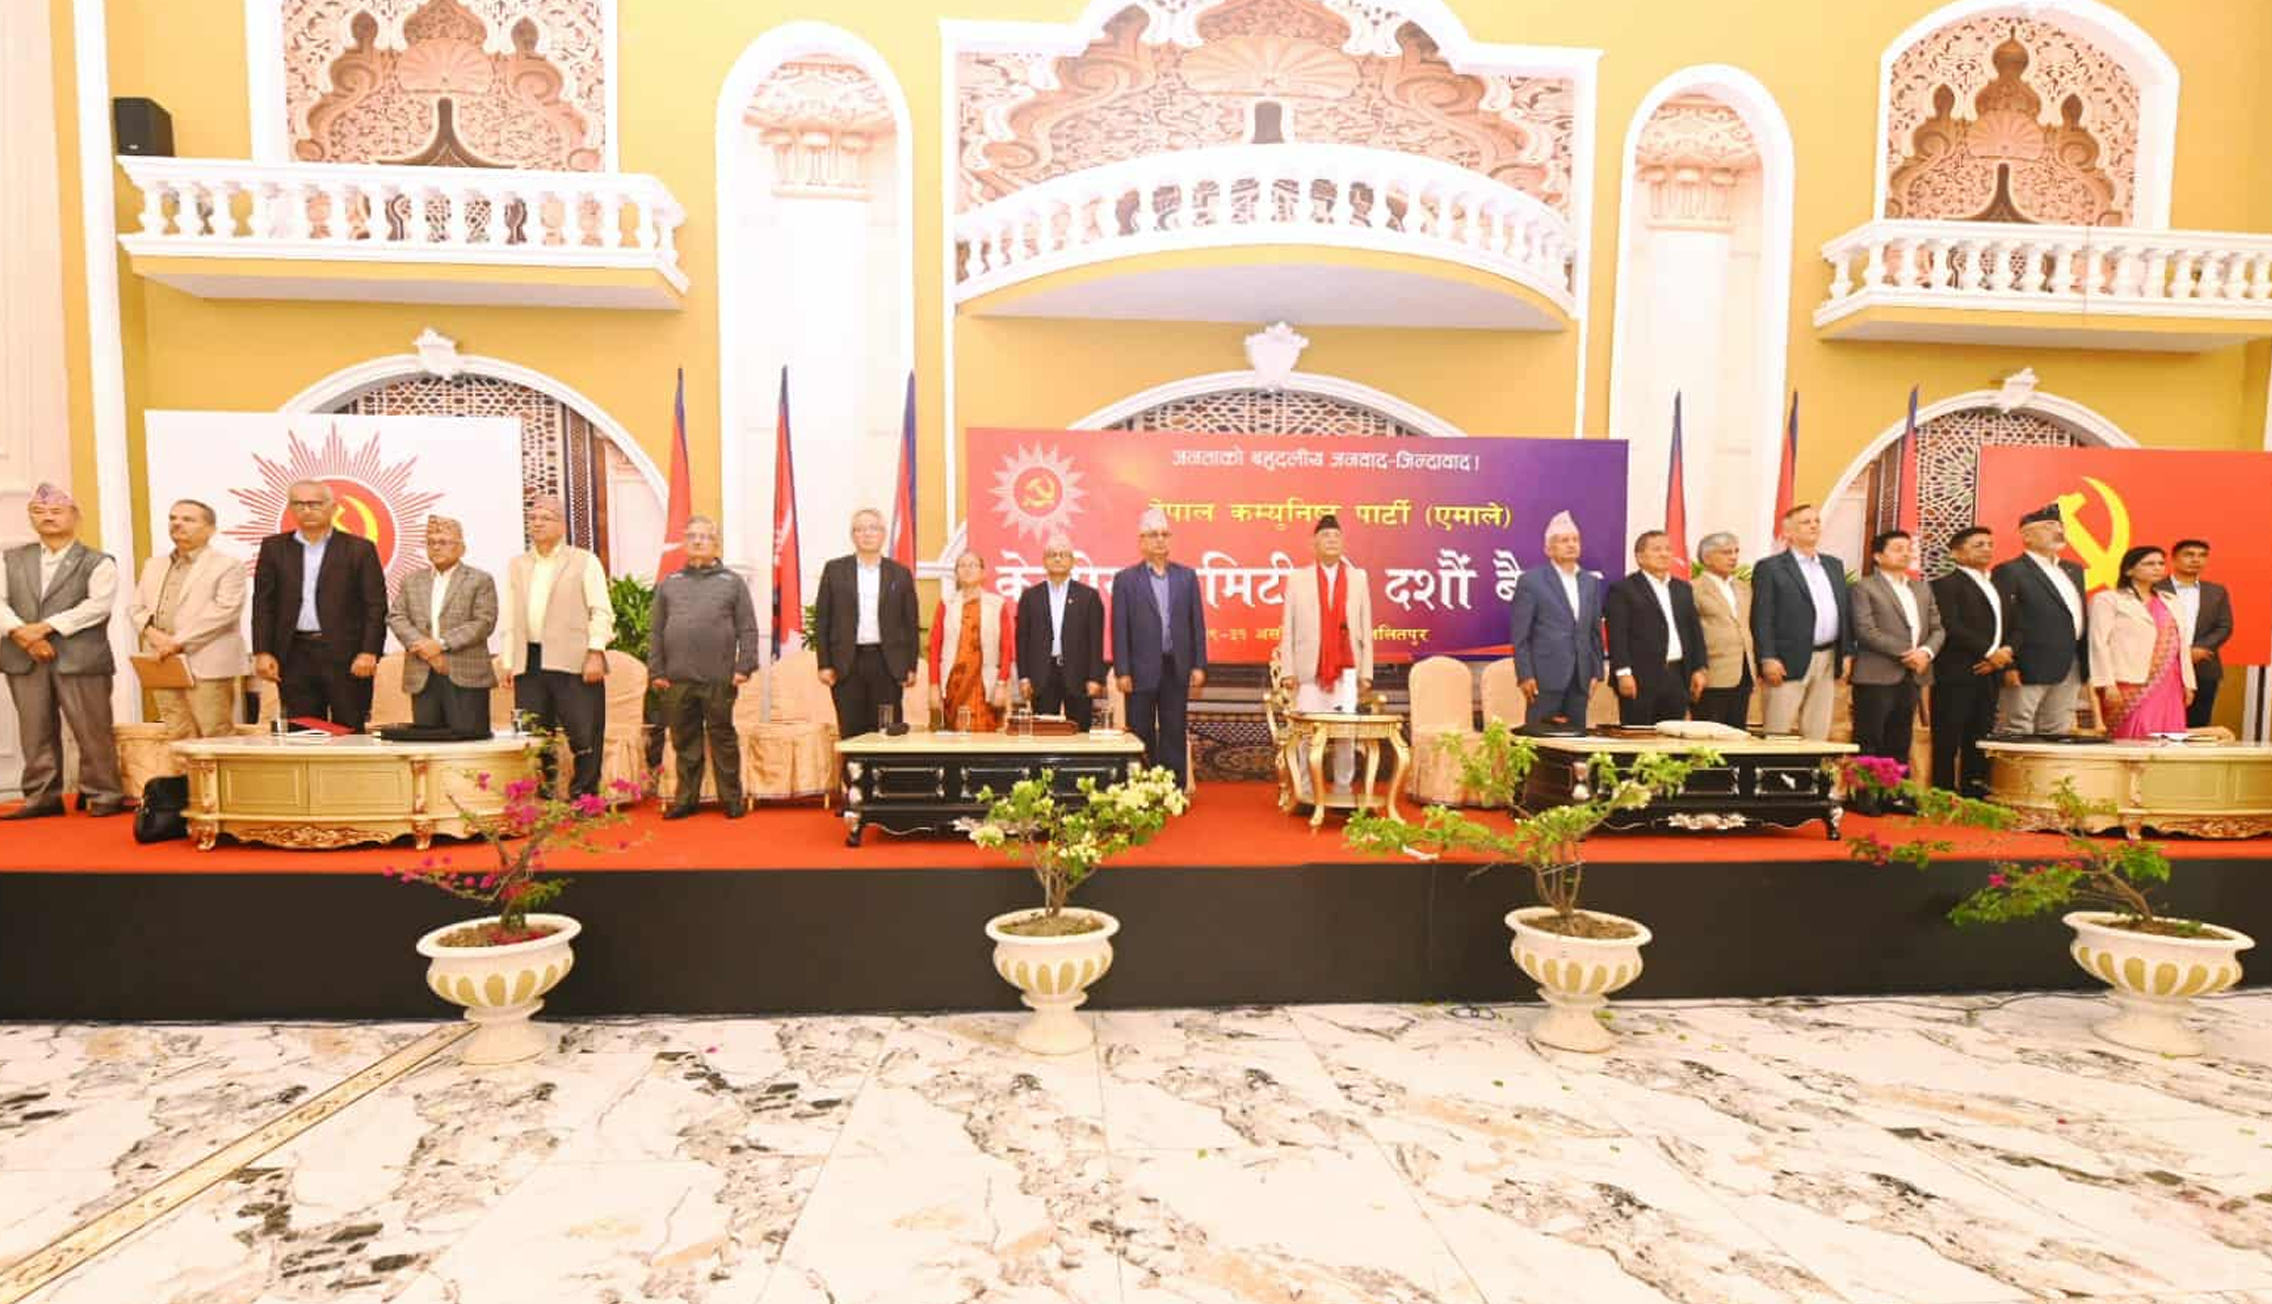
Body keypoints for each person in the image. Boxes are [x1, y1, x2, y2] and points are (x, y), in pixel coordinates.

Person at [0, 483, 124, 818]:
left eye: (56, 511)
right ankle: (42, 797)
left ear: (75, 516)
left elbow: (97, 607)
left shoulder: (97, 561)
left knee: (91, 729)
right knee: (34, 731)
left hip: (81, 658)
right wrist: (21, 634)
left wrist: (44, 628)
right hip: (23, 656)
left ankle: (103, 793)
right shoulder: (11, 558)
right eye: (38, 512)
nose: (47, 517)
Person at [498, 495, 614, 797]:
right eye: (533, 518)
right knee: (535, 733)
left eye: (545, 517)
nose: (537, 523)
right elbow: (510, 616)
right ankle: (544, 796)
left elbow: (601, 611)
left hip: (574, 659)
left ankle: (585, 797)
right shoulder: (518, 565)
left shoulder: (583, 560)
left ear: (562, 525)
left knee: (583, 731)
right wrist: (509, 661)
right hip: (529, 659)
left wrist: (595, 652)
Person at [251, 478, 387, 729]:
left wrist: (369, 651)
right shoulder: (274, 548)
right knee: (303, 731)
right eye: (299, 504)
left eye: (315, 504)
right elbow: (263, 604)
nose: (307, 510)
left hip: (347, 655)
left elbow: (375, 606)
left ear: (333, 508)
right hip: (293, 653)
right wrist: (262, 651)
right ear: (290, 508)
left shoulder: (359, 549)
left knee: (349, 729)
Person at [649, 516, 758, 819]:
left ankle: (731, 799)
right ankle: (686, 800)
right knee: (684, 740)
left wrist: (744, 666)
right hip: (677, 678)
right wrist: (656, 671)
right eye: (692, 536)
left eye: (705, 536)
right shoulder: (669, 583)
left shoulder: (732, 583)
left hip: (719, 677)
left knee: (723, 738)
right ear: (684, 543)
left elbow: (748, 628)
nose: (698, 541)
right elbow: (656, 630)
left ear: (716, 544)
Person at [128, 498, 247, 739]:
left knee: (215, 732)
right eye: (173, 518)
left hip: (207, 660)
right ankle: (184, 768)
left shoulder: (228, 565)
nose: (177, 523)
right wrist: (152, 634)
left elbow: (225, 610)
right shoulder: (154, 564)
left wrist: (176, 642)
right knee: (178, 732)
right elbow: (136, 608)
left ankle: (215, 769)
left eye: (188, 519)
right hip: (161, 659)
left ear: (210, 529)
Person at [1111, 507, 1207, 786]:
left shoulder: (1186, 577)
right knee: (1140, 731)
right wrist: (1122, 670)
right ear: (1141, 541)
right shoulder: (1126, 579)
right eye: (1153, 535)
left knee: (1174, 730)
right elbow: (1119, 628)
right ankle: (1142, 790)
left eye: (1165, 534)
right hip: (1139, 670)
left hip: (1176, 667)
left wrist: (1199, 664)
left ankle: (1173, 790)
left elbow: (1197, 624)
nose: (1160, 540)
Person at [1848, 530, 1944, 803]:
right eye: (1897, 548)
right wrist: (1907, 652)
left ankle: (1895, 796)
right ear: (1878, 556)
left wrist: (1925, 652)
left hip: (1913, 674)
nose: (1906, 553)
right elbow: (1866, 630)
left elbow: (1937, 628)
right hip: (1876, 674)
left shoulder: (1921, 588)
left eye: (1908, 548)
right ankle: (1866, 798)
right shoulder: (1864, 587)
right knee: (1870, 739)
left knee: (1900, 739)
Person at [1278, 513, 1373, 787]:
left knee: (1345, 735)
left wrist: (1366, 672)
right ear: (1314, 544)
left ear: (1342, 542)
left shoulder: (1358, 578)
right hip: (1310, 670)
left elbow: (1365, 626)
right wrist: (1288, 670)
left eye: (1336, 536)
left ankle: (1343, 789)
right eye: (1325, 536)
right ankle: (1306, 790)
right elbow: (1288, 628)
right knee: (1307, 735)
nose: (1331, 540)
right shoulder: (1298, 579)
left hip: (1346, 670)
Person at [384, 515, 497, 738]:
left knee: (469, 741)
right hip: (422, 673)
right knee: (429, 742)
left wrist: (441, 645)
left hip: (465, 673)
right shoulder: (412, 580)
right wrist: (423, 647)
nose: (436, 547)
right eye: (431, 542)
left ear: (461, 548)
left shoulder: (479, 579)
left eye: (443, 542)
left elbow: (483, 622)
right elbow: (396, 616)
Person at [812, 507, 919, 736]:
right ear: (853, 535)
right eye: (860, 529)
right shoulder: (834, 570)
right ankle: (852, 762)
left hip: (887, 664)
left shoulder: (900, 573)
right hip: (846, 664)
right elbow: (823, 620)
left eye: (873, 528)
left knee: (888, 732)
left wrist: (911, 666)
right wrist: (824, 664)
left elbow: (910, 623)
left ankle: (885, 762)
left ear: (883, 534)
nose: (867, 534)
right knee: (851, 731)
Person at [1749, 503, 1852, 740]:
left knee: (1817, 731)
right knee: (1778, 731)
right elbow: (1762, 617)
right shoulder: (1770, 568)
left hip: (1828, 657)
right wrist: (1767, 657)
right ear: (1788, 533)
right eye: (1806, 522)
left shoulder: (1833, 565)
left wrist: (1847, 651)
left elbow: (1843, 611)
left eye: (1816, 521)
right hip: (1786, 660)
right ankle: (1774, 767)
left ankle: (1812, 767)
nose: (1814, 526)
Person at [1929, 525, 2011, 796]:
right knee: (1948, 736)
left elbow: (2015, 625)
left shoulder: (1998, 585)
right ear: (1956, 553)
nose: (1986, 549)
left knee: (1980, 736)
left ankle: (1974, 792)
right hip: (1957, 671)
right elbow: (1951, 626)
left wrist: (2003, 654)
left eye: (1989, 544)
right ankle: (1942, 794)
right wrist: (1989, 652)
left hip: (1992, 671)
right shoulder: (1944, 584)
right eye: (1978, 545)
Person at [1992, 503, 2088, 735]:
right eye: (2048, 526)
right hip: (2028, 664)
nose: (2058, 530)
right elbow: (2002, 620)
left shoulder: (2074, 570)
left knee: (2058, 729)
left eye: (2060, 526)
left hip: (2071, 662)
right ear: (2026, 536)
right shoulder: (2010, 570)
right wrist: (2009, 665)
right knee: (2017, 727)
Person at [1509, 510, 1604, 728]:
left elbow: (1594, 633)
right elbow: (1520, 635)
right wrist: (1525, 675)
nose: (1571, 545)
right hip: (1544, 677)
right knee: (1541, 738)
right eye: (1564, 540)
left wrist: (1597, 672)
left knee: (1576, 739)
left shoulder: (1590, 582)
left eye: (1575, 540)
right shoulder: (1531, 581)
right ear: (1548, 549)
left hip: (1580, 677)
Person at [2090, 545, 2195, 740]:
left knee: (2168, 736)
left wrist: (2188, 683)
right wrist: (2107, 683)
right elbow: (2098, 643)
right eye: (2149, 564)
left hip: (2169, 682)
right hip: (2128, 680)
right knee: (2134, 735)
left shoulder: (2171, 601)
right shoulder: (2108, 599)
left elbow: (2182, 646)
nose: (2157, 568)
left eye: (2161, 563)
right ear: (2129, 570)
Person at [1604, 529, 1706, 727]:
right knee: (1639, 736)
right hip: (1639, 677)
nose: (1664, 554)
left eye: (1668, 549)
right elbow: (1617, 636)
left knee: (1672, 736)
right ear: (1640, 557)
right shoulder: (1624, 589)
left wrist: (1699, 668)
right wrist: (1623, 673)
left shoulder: (1682, 589)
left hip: (1677, 676)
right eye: (1657, 549)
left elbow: (1695, 632)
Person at [1014, 533, 1105, 729]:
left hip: (1079, 676)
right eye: (1052, 555)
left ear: (1072, 561)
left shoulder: (1089, 596)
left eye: (1063, 554)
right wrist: (1024, 677)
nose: (1057, 559)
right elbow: (1022, 640)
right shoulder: (1030, 596)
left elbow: (1095, 641)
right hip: (1042, 675)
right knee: (1045, 733)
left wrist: (1095, 677)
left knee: (1080, 733)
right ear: (1044, 561)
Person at [928, 550, 1015, 732]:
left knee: (986, 740)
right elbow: (935, 647)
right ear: (956, 573)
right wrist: (934, 686)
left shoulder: (996, 604)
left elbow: (1006, 648)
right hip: (954, 684)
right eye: (962, 565)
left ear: (983, 572)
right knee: (955, 738)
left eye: (973, 565)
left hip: (986, 686)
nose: (967, 569)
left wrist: (1001, 684)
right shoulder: (946, 603)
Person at [2164, 539, 2231, 729]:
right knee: (2161, 724)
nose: (2196, 559)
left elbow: (2224, 627)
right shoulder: (2155, 588)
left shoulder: (2216, 591)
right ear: (2174, 559)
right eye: (2189, 554)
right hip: (2163, 666)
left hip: (2203, 666)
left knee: (2197, 727)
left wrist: (2199, 648)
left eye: (2202, 555)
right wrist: (2181, 653)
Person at [1690, 531, 1754, 729]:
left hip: (1744, 672)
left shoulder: (1744, 588)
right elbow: (1689, 635)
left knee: (1737, 734)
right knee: (1708, 735)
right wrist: (1696, 669)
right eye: (1726, 552)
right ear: (1707, 558)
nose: (1733, 557)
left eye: (1735, 551)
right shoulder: (1693, 589)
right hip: (1711, 674)